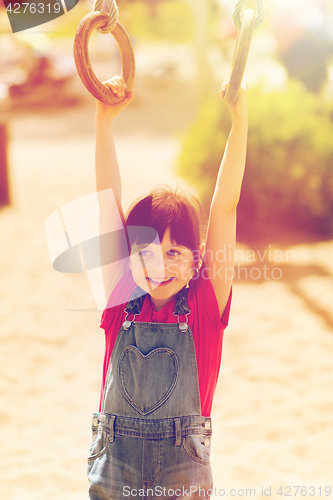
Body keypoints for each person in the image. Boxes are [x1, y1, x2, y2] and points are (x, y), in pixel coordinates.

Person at [88, 76, 248, 500]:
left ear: (197, 260)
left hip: (182, 479)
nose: (159, 265)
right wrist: (104, 120)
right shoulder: (120, 295)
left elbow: (225, 205)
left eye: (175, 252)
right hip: (114, 471)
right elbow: (107, 201)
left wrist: (239, 119)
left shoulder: (204, 303)